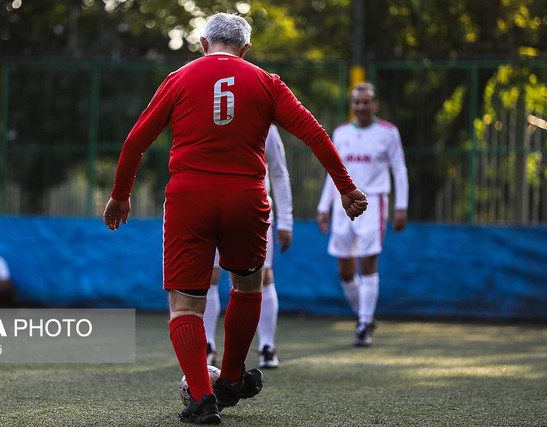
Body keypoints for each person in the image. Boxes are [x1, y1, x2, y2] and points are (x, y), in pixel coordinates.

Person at [103, 13, 367, 424]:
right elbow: (315, 134)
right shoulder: (268, 82)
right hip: (248, 197)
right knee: (247, 286)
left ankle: (203, 399)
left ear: (204, 44)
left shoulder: (178, 78)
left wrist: (121, 196)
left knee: (185, 304)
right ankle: (228, 380)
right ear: (245, 50)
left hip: (191, 197)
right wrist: (346, 187)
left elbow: (135, 142)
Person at [317, 82, 409, 347]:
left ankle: (365, 323)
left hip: (373, 201)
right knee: (345, 271)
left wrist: (401, 206)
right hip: (342, 204)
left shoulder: (388, 132)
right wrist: (324, 206)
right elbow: (333, 171)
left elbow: (399, 170)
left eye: (366, 101)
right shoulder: (341, 132)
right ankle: (363, 314)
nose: (361, 106)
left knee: (368, 263)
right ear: (352, 105)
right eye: (357, 102)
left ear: (375, 105)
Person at [204, 124, 293, 370]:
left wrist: (286, 220)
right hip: (213, 209)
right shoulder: (213, 118)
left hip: (255, 212)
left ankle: (267, 345)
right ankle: (208, 345)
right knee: (209, 276)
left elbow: (278, 172)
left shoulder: (266, 127)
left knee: (262, 276)